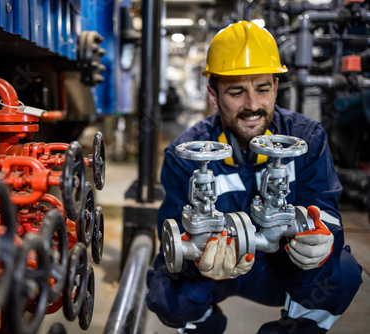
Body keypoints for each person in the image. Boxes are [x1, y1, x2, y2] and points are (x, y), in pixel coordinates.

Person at [145, 21, 362, 334]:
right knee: (167, 293)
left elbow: (324, 210)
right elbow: (174, 230)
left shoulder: (307, 139)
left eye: (262, 89)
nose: (252, 106)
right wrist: (198, 256)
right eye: (236, 92)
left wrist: (323, 239)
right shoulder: (185, 153)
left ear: (275, 88)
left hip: (278, 264)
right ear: (212, 94)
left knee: (342, 273)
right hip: (214, 266)